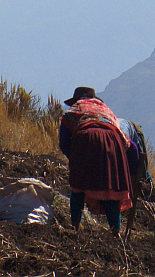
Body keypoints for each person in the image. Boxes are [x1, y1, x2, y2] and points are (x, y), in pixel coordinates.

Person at [59, 87, 139, 236]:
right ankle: (116, 231)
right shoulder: (108, 114)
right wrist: (131, 172)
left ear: (77, 100)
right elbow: (132, 147)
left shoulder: (73, 111)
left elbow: (63, 142)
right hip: (112, 144)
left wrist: (76, 159)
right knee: (110, 190)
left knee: (78, 188)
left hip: (85, 140)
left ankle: (75, 225)